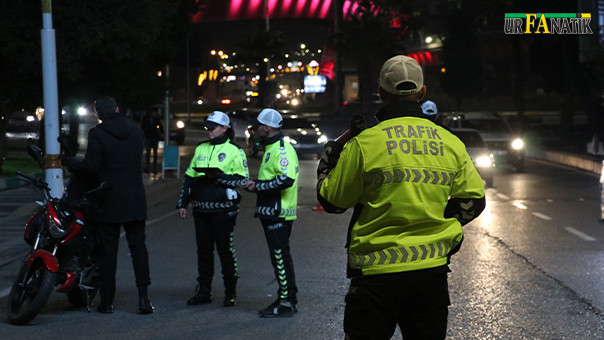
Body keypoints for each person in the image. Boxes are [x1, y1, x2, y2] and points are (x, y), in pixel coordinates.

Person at [316, 55, 486, 339]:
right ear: (422, 92)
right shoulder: (450, 142)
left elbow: (332, 202)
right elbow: (474, 202)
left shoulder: (364, 144)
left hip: (375, 277)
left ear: (381, 93)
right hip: (431, 274)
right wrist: (436, 222)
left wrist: (330, 157)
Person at [64, 96, 154, 315]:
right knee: (139, 250)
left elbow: (92, 167)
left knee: (108, 253)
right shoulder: (135, 132)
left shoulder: (98, 134)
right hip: (135, 199)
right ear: (117, 108)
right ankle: (143, 299)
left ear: (99, 115)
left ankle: (107, 302)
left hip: (109, 202)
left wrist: (71, 162)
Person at [176, 111, 249, 307]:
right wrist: (183, 203)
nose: (208, 131)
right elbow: (189, 178)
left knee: (225, 250)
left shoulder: (235, 150)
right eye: (207, 127)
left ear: (225, 128)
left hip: (224, 210)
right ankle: (204, 291)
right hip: (200, 209)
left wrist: (217, 177)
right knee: (204, 251)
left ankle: (230, 292)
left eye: (213, 127)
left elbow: (242, 179)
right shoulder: (201, 148)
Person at [240, 108, 300, 318]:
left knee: (280, 257)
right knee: (279, 258)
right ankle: (287, 298)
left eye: (257, 127)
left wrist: (257, 186)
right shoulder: (272, 147)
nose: (254, 130)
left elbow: (286, 180)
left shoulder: (282, 149)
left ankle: (286, 302)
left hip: (278, 213)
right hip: (272, 212)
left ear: (266, 128)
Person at [140, 109, 164, 174]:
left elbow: (160, 126)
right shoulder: (146, 118)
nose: (154, 114)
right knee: (148, 153)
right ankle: (147, 168)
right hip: (148, 137)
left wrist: (161, 133)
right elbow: (142, 126)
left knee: (155, 153)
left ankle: (154, 168)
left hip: (154, 137)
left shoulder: (156, 119)